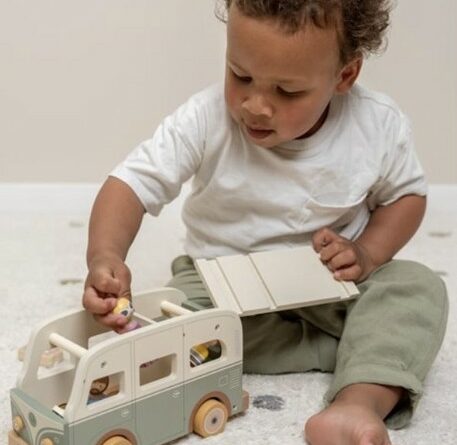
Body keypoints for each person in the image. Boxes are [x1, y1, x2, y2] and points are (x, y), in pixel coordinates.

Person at [82, 1, 448, 444]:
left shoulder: (376, 125)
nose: (255, 106)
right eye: (240, 76)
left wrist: (367, 253)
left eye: (287, 92)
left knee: (417, 288)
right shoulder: (204, 118)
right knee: (170, 324)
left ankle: (358, 402)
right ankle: (347, 347)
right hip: (222, 285)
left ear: (344, 75)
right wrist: (105, 254)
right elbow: (131, 184)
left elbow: (405, 197)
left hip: (333, 285)